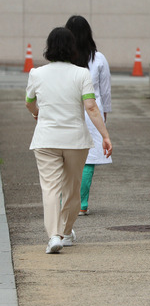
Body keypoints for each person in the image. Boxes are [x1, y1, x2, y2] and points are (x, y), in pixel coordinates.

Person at [25, 27, 112, 254]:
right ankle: (65, 232)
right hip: (75, 140)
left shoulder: (36, 73)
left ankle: (53, 235)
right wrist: (105, 135)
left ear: (49, 48)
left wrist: (37, 113)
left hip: (46, 139)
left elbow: (29, 102)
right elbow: (91, 107)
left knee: (51, 188)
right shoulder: (81, 73)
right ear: (72, 48)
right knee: (72, 189)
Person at [65, 15, 112, 216]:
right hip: (92, 110)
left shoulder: (64, 59)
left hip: (68, 110)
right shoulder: (98, 58)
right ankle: (82, 203)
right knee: (89, 159)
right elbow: (105, 89)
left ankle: (65, 201)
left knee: (67, 158)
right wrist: (104, 113)